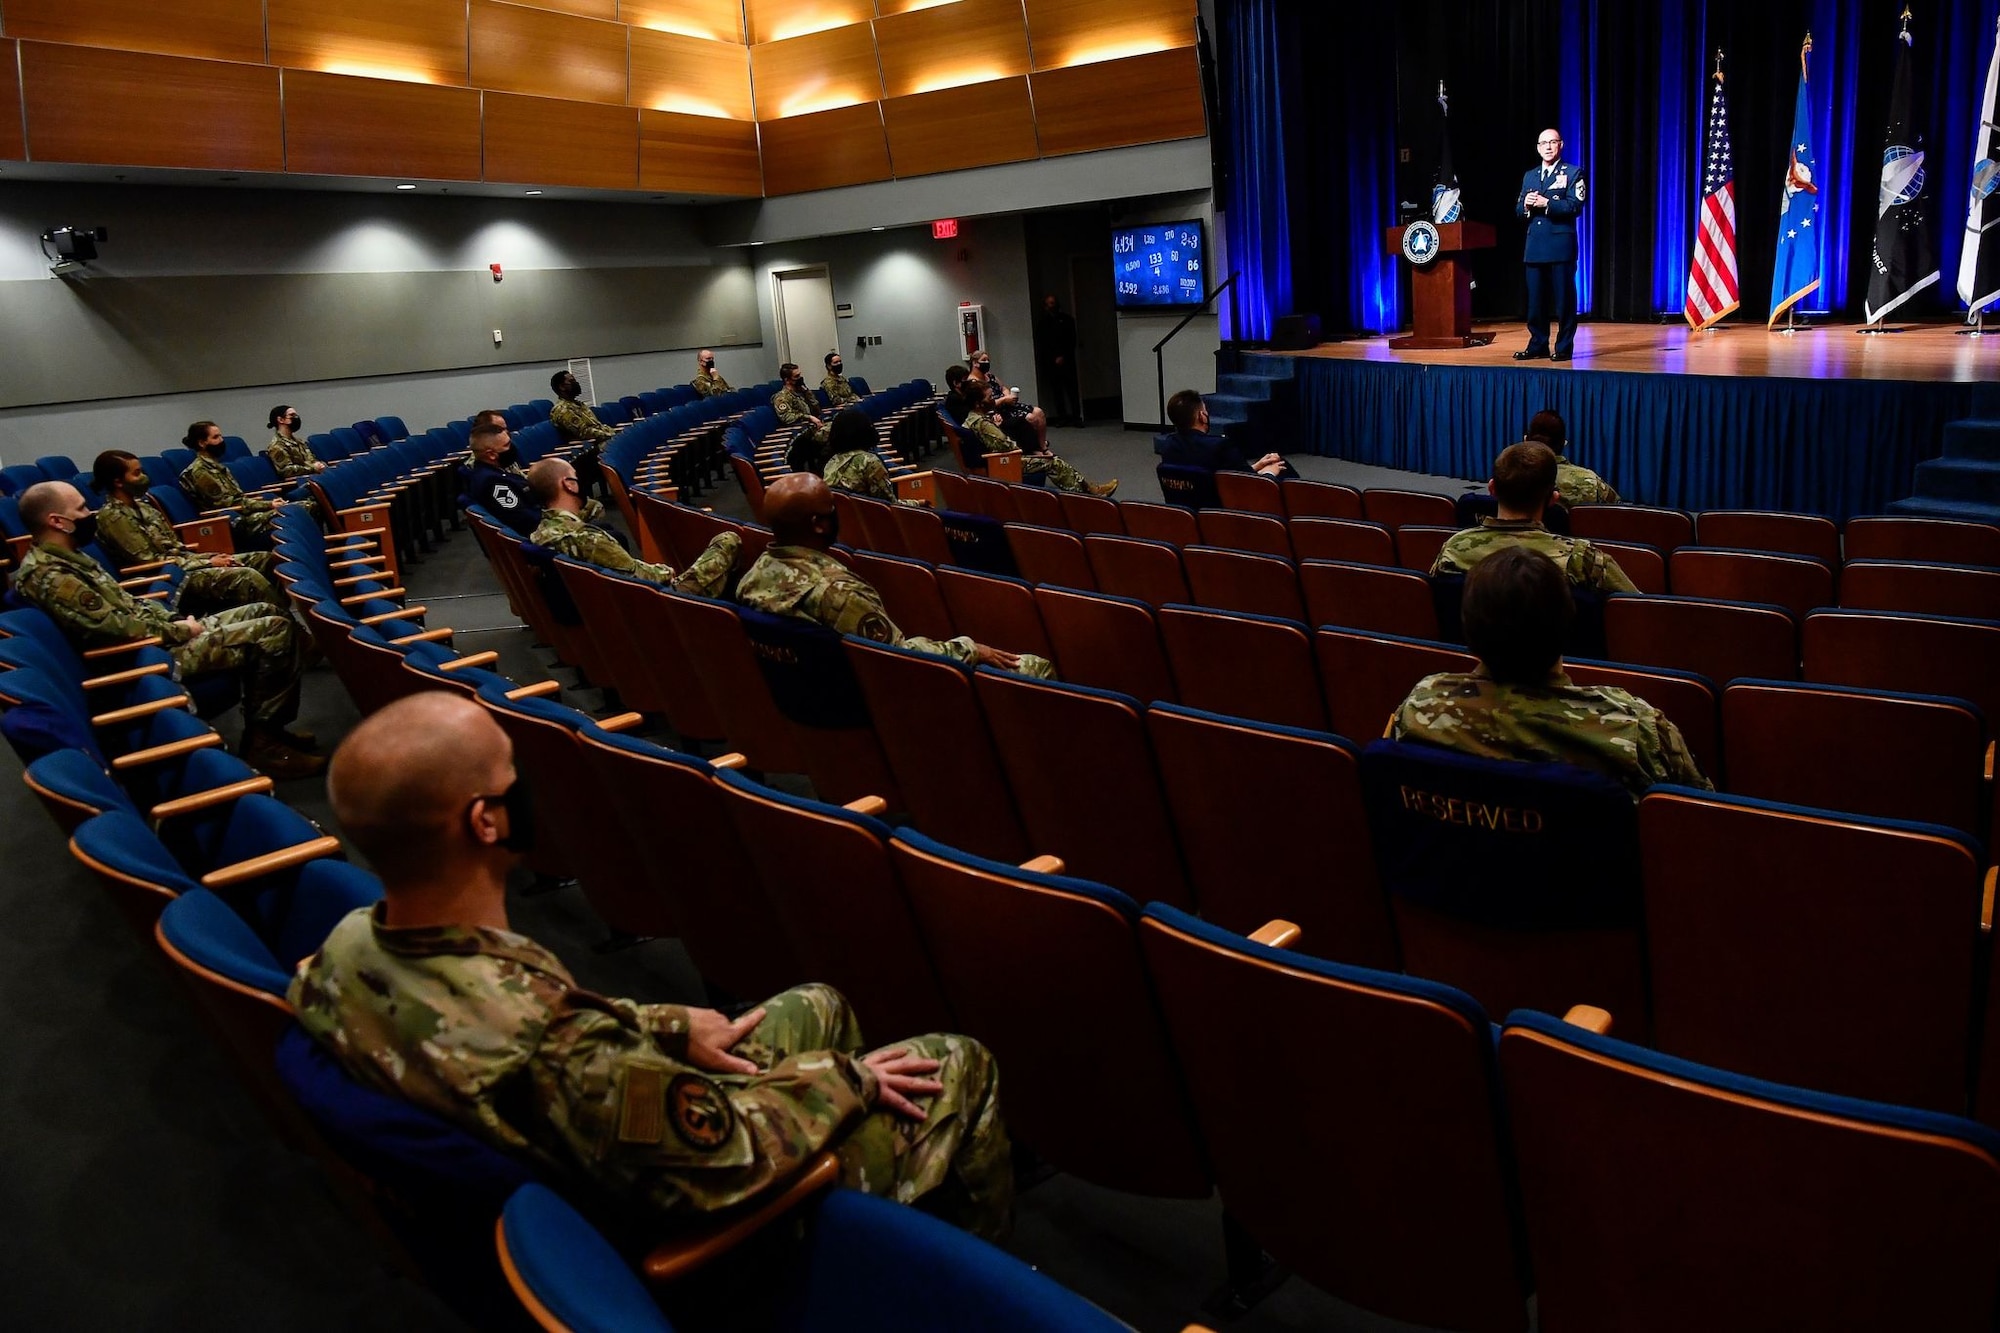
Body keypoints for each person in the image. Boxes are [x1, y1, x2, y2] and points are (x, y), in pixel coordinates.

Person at [289, 691, 1011, 1239]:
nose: (526, 786)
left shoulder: (345, 948)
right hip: (706, 1227)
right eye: (513, 773)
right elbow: (729, 1152)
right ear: (487, 820)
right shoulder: (562, 1052)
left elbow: (535, 1031)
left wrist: (659, 1025)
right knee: (957, 1062)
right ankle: (976, 1285)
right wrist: (850, 1078)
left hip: (601, 1138)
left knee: (820, 1001)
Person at [13, 481, 323, 778]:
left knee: (265, 611)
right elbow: (117, 629)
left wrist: (173, 621)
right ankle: (265, 744)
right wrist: (181, 631)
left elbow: (127, 604)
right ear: (58, 521)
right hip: (143, 656)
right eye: (81, 509)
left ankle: (271, 729)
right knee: (272, 631)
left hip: (157, 635)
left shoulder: (70, 558)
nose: (89, 514)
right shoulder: (51, 576)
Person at [1393, 546, 1710, 798]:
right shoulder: (1637, 731)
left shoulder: (1419, 707)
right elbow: (1697, 817)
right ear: (1568, 625)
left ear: (1467, 633)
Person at [737, 473, 1055, 678]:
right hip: (882, 701)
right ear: (819, 524)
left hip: (813, 692)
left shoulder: (753, 577)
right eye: (832, 508)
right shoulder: (839, 592)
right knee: (1035, 669)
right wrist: (971, 648)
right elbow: (898, 657)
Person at [90, 450, 287, 617]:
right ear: (117, 481)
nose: (143, 478)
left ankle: (283, 617)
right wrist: (208, 562)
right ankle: (287, 627)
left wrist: (209, 556)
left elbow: (176, 549)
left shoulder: (144, 507)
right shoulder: (114, 518)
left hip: (187, 563)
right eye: (136, 473)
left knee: (266, 559)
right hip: (169, 578)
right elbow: (150, 562)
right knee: (246, 576)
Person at [1431, 442, 1635, 594]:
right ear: (1553, 499)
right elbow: (1639, 609)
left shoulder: (1453, 549)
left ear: (1491, 488)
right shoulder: (1583, 561)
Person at [525, 458, 738, 596]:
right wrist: (667, 571)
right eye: (576, 477)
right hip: (664, 601)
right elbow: (640, 576)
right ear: (568, 484)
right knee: (728, 540)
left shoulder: (540, 534)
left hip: (618, 605)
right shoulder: (588, 539)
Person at [956, 379, 1115, 497]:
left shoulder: (972, 418)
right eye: (989, 397)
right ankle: (1089, 493)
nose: (993, 400)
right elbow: (1009, 447)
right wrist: (1000, 430)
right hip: (1003, 463)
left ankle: (1089, 489)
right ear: (978, 403)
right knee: (1052, 462)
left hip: (996, 459)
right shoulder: (983, 424)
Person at [1514, 129, 1587, 362]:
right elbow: (1517, 209)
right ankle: (1538, 344)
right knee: (1536, 302)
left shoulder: (1574, 172)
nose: (1547, 146)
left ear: (1561, 145)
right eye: (1543, 143)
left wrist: (1548, 204)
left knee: (1564, 301)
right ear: (1537, 147)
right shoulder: (1530, 176)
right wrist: (1525, 205)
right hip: (1534, 247)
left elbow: (1575, 206)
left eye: (1552, 142)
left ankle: (1564, 346)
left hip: (1560, 247)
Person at [179, 420, 297, 546]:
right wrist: (269, 505)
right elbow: (229, 503)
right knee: (292, 512)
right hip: (233, 521)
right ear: (202, 443)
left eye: (220, 436)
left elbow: (238, 497)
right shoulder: (200, 471)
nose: (221, 440)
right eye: (215, 437)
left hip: (244, 512)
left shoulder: (216, 465)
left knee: (296, 510)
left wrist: (269, 504)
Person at [1159, 390, 1295, 478]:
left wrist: (1256, 466)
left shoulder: (1169, 445)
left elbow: (1214, 477)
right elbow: (1250, 485)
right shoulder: (1219, 446)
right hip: (1228, 510)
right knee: (1282, 466)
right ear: (1202, 416)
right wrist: (1269, 472)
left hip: (1197, 511)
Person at [1524, 409, 1620, 506]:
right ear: (1564, 443)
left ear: (1526, 440)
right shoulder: (1591, 481)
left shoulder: (1514, 478)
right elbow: (1620, 511)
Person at [820, 409, 901, 502]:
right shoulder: (870, 462)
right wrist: (917, 503)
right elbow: (889, 504)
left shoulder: (831, 462)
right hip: (870, 515)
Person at [966, 356, 1045, 452]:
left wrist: (1008, 395)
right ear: (975, 363)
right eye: (983, 360)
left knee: (1038, 412)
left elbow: (1003, 387)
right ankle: (1033, 450)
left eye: (988, 360)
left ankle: (1042, 446)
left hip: (1007, 405)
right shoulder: (973, 383)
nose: (987, 362)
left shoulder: (989, 375)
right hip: (997, 410)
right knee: (1029, 419)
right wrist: (1004, 400)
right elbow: (988, 404)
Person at [1033, 294, 1082, 427]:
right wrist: (1052, 358)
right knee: (1057, 391)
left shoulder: (1067, 320)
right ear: (1045, 306)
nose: (1052, 306)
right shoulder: (1042, 323)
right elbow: (1042, 343)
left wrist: (1063, 356)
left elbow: (1072, 340)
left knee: (1072, 389)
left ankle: (1076, 417)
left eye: (1054, 303)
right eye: (1050, 303)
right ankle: (1062, 417)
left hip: (1067, 361)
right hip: (1050, 362)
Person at [773, 363, 832, 468]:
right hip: (803, 434)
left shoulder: (801, 392)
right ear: (787, 380)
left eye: (800, 375)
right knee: (835, 437)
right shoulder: (781, 397)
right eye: (796, 377)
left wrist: (807, 392)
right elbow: (786, 417)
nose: (800, 378)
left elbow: (817, 409)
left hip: (813, 429)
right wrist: (807, 417)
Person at [549, 370, 620, 444]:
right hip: (592, 446)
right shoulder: (562, 410)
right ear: (562, 387)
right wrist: (612, 435)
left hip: (604, 439)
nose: (576, 383)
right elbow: (585, 432)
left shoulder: (578, 404)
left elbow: (597, 426)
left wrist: (615, 433)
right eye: (572, 381)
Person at [265, 405, 325, 480]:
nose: (296, 418)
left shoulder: (299, 442)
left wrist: (320, 465)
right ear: (280, 420)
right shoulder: (277, 446)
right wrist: (312, 468)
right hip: (299, 483)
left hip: (312, 478)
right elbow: (287, 471)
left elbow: (311, 460)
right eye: (292, 415)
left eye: (296, 415)